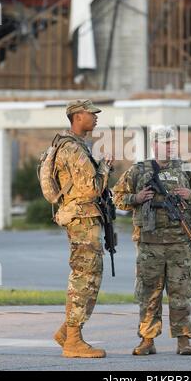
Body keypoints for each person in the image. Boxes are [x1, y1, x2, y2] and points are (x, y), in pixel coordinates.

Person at [113, 126, 191, 356]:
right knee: (148, 294)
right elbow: (116, 197)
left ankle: (183, 339)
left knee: (180, 294)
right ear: (154, 145)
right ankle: (147, 340)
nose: (170, 147)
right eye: (165, 143)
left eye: (173, 143)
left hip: (180, 243)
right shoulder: (138, 171)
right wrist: (136, 198)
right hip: (149, 245)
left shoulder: (187, 169)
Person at [53, 99, 113, 358]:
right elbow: (92, 188)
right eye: (92, 113)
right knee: (84, 277)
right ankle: (73, 341)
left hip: (83, 218)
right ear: (77, 116)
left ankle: (68, 331)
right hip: (82, 218)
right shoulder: (73, 149)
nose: (96, 117)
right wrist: (105, 167)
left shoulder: (74, 146)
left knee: (90, 275)